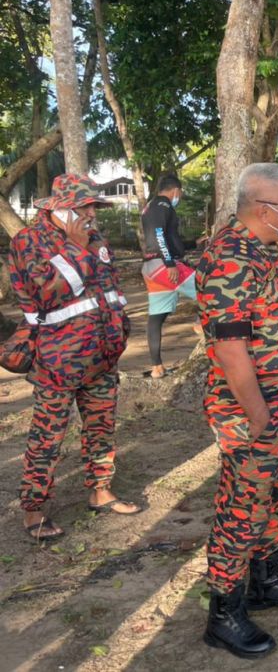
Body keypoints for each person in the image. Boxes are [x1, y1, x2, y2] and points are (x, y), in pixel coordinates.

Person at [197, 163, 278, 659]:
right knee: (241, 508)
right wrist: (259, 416)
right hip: (251, 413)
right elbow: (230, 352)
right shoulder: (227, 259)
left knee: (276, 495)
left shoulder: (263, 248)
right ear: (263, 208)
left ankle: (266, 578)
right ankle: (224, 613)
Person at [8, 173, 140, 541]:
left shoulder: (94, 238)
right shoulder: (29, 241)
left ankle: (100, 490)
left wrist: (119, 331)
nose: (91, 216)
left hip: (101, 353)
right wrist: (77, 248)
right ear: (62, 210)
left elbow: (108, 288)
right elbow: (48, 292)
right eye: (84, 209)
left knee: (101, 428)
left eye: (93, 208)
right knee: (48, 435)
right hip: (58, 359)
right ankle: (33, 509)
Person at [140, 175, 195, 378]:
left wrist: (194, 243)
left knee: (157, 316)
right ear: (175, 190)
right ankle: (200, 324)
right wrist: (170, 263)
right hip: (164, 266)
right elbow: (159, 235)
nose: (179, 197)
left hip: (151, 268)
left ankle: (157, 367)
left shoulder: (151, 207)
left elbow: (169, 238)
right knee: (209, 289)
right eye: (179, 193)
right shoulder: (162, 204)